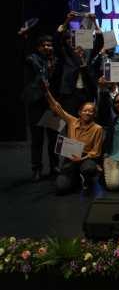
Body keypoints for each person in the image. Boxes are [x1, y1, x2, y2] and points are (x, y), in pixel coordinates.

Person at [43, 84, 103, 194]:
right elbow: (58, 108)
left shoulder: (98, 128)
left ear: (94, 114)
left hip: (86, 158)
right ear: (80, 112)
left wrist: (82, 158)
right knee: (61, 187)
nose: (88, 113)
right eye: (85, 110)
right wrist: (47, 93)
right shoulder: (72, 121)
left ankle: (87, 178)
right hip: (71, 157)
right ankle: (76, 178)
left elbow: (96, 151)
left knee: (89, 169)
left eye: (91, 111)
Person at [23, 35, 58, 181]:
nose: (48, 47)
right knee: (37, 139)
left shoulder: (55, 60)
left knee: (53, 138)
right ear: (39, 47)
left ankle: (54, 166)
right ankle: (36, 169)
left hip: (51, 105)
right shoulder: (32, 60)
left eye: (50, 45)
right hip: (36, 104)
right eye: (44, 45)